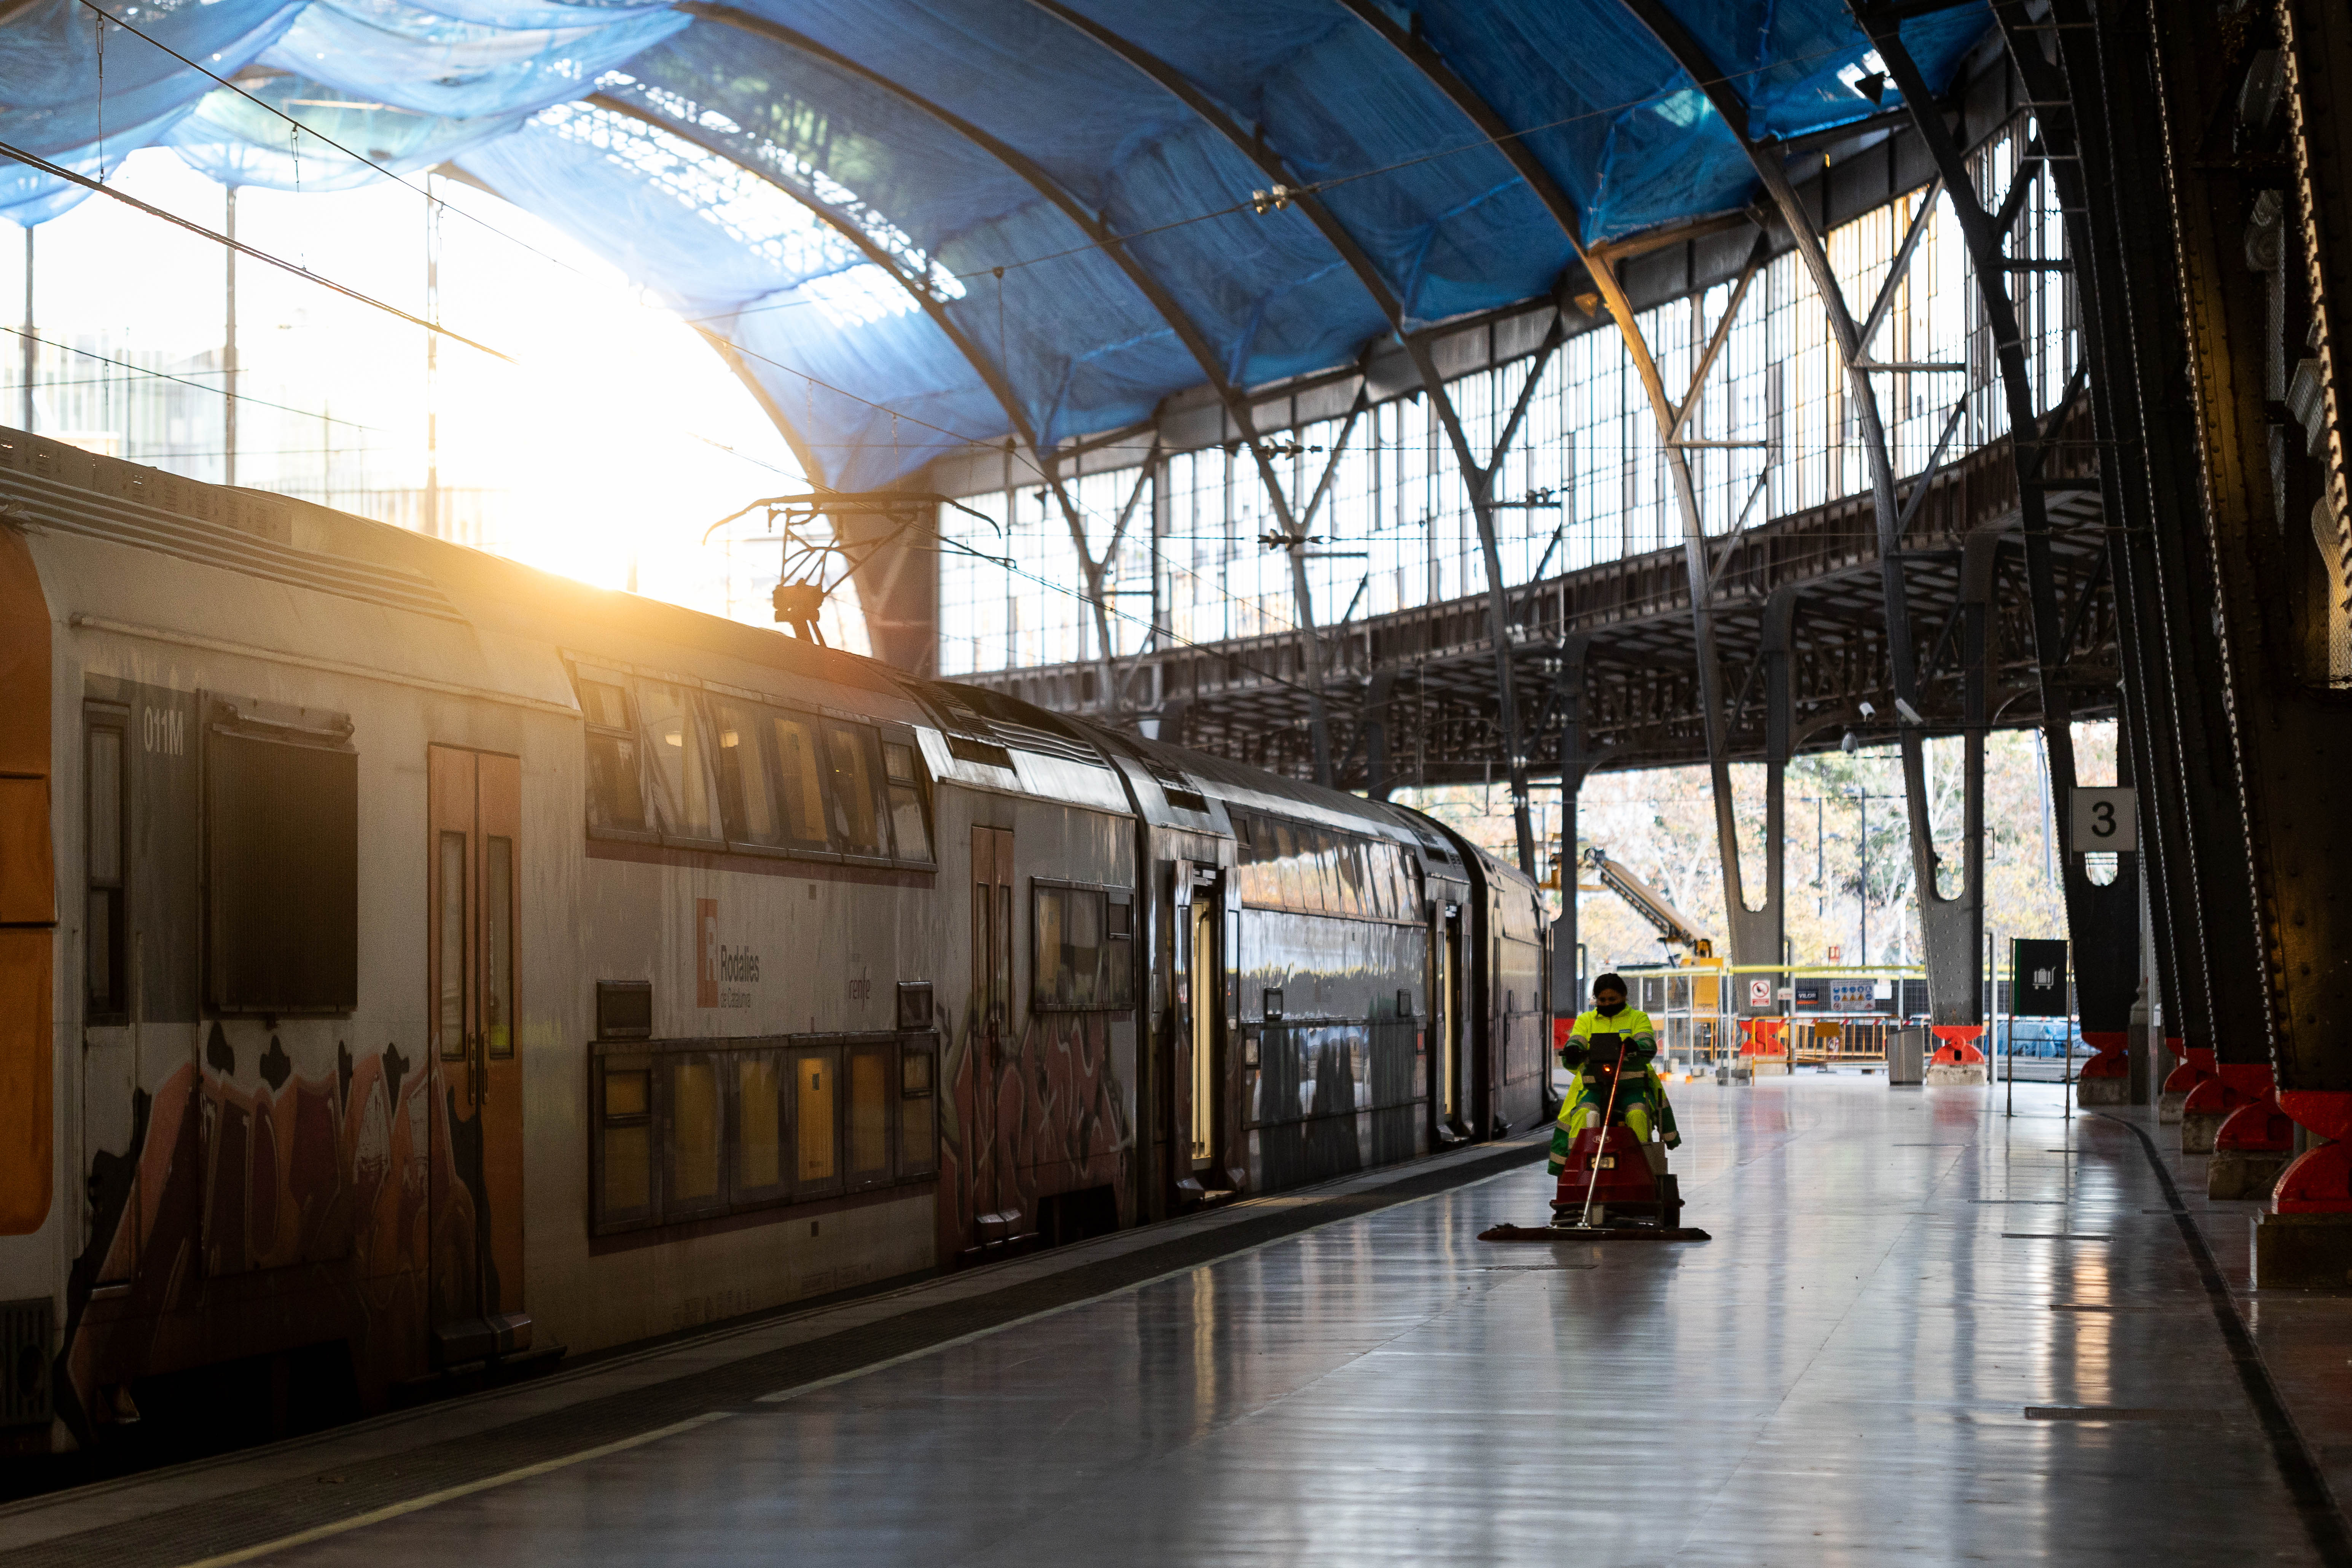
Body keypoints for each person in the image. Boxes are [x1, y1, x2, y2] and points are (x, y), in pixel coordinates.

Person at [1549, 973, 1681, 1178]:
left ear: (1624, 997)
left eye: (1613, 1000)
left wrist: (1636, 1046)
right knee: (1583, 1115)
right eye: (1602, 1000)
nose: (1607, 1004)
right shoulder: (1585, 1021)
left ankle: (1640, 1172)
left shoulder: (1638, 1019)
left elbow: (1648, 1044)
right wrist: (1574, 1049)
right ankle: (1575, 1170)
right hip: (1595, 1088)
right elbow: (1576, 1040)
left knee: (1638, 1115)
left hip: (1632, 1089)